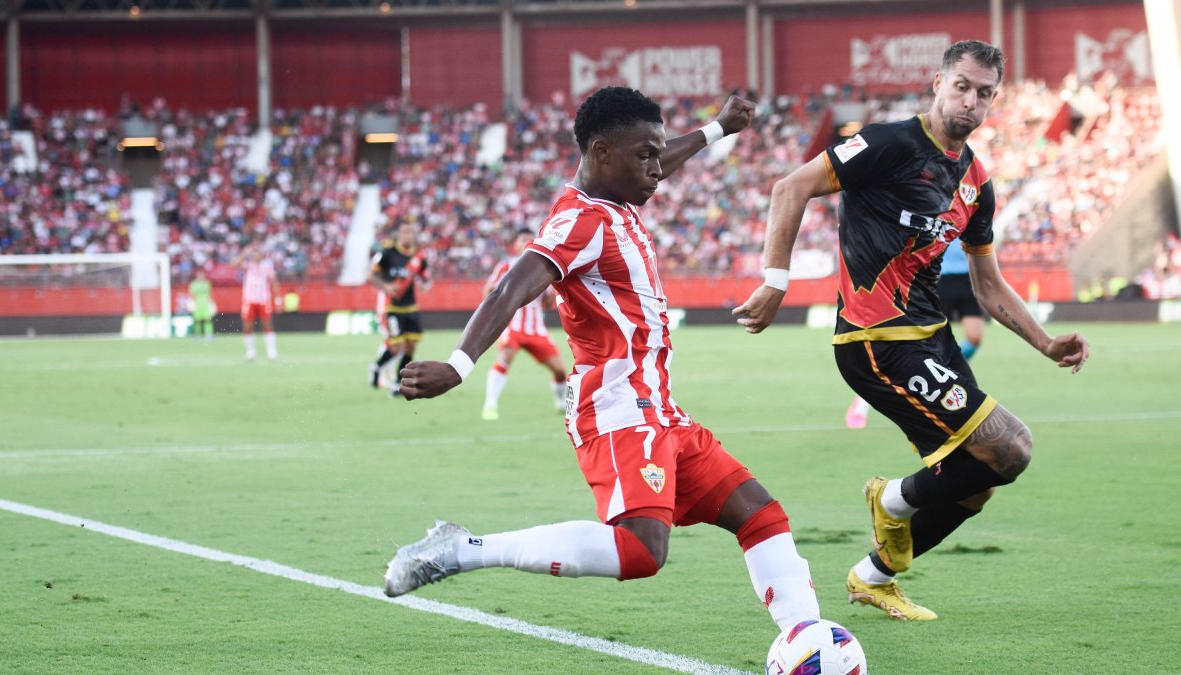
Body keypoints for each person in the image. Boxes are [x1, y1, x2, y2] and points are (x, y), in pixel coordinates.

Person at [385, 87, 823, 634]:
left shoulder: (617, 200)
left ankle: (807, 643)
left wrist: (716, 130)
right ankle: (461, 549)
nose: (657, 168)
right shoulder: (581, 221)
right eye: (644, 155)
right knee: (641, 551)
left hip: (660, 408)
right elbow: (509, 290)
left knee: (760, 514)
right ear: (600, 154)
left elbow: (661, 157)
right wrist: (458, 365)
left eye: (656, 153)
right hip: (618, 407)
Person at [733, 40, 1090, 621]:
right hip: (875, 340)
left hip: (933, 339)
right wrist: (776, 281)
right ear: (938, 83)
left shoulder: (976, 182)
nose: (970, 101)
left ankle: (873, 576)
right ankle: (891, 498)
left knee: (976, 482)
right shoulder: (886, 143)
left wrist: (1046, 342)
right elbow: (789, 187)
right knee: (1011, 446)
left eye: (984, 93)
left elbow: (989, 286)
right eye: (962, 86)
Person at [845, 237, 986, 428]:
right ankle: (863, 401)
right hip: (939, 276)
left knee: (975, 337)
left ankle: (946, 374)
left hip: (967, 277)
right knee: (926, 342)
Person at [480, 228, 569, 421]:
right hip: (513, 326)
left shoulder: (543, 268)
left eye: (531, 239)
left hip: (537, 329)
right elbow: (488, 291)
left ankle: (561, 402)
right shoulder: (506, 265)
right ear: (515, 245)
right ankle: (490, 404)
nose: (527, 242)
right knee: (505, 359)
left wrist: (552, 294)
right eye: (523, 239)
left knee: (561, 371)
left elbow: (546, 302)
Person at [369, 221, 431, 397]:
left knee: (411, 347)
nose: (408, 236)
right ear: (398, 235)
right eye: (404, 233)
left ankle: (397, 383)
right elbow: (371, 275)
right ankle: (376, 367)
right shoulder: (387, 252)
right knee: (397, 347)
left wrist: (425, 285)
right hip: (392, 307)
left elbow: (425, 277)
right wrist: (386, 286)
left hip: (411, 307)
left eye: (410, 233)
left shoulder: (419, 256)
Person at [238, 247, 281, 361]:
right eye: (254, 255)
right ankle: (250, 353)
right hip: (249, 300)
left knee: (267, 325)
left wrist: (278, 299)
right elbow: (232, 265)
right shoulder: (247, 265)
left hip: (263, 299)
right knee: (248, 326)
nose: (255, 256)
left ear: (261, 256)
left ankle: (272, 353)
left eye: (258, 254)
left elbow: (274, 282)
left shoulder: (267, 266)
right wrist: (243, 253)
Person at [188, 268, 216, 343]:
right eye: (199, 275)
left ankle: (209, 335)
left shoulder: (207, 284)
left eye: (202, 275)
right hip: (197, 305)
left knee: (208, 320)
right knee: (197, 321)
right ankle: (198, 335)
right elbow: (191, 295)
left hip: (206, 305)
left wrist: (212, 303)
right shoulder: (193, 284)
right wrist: (191, 303)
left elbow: (210, 294)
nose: (201, 276)